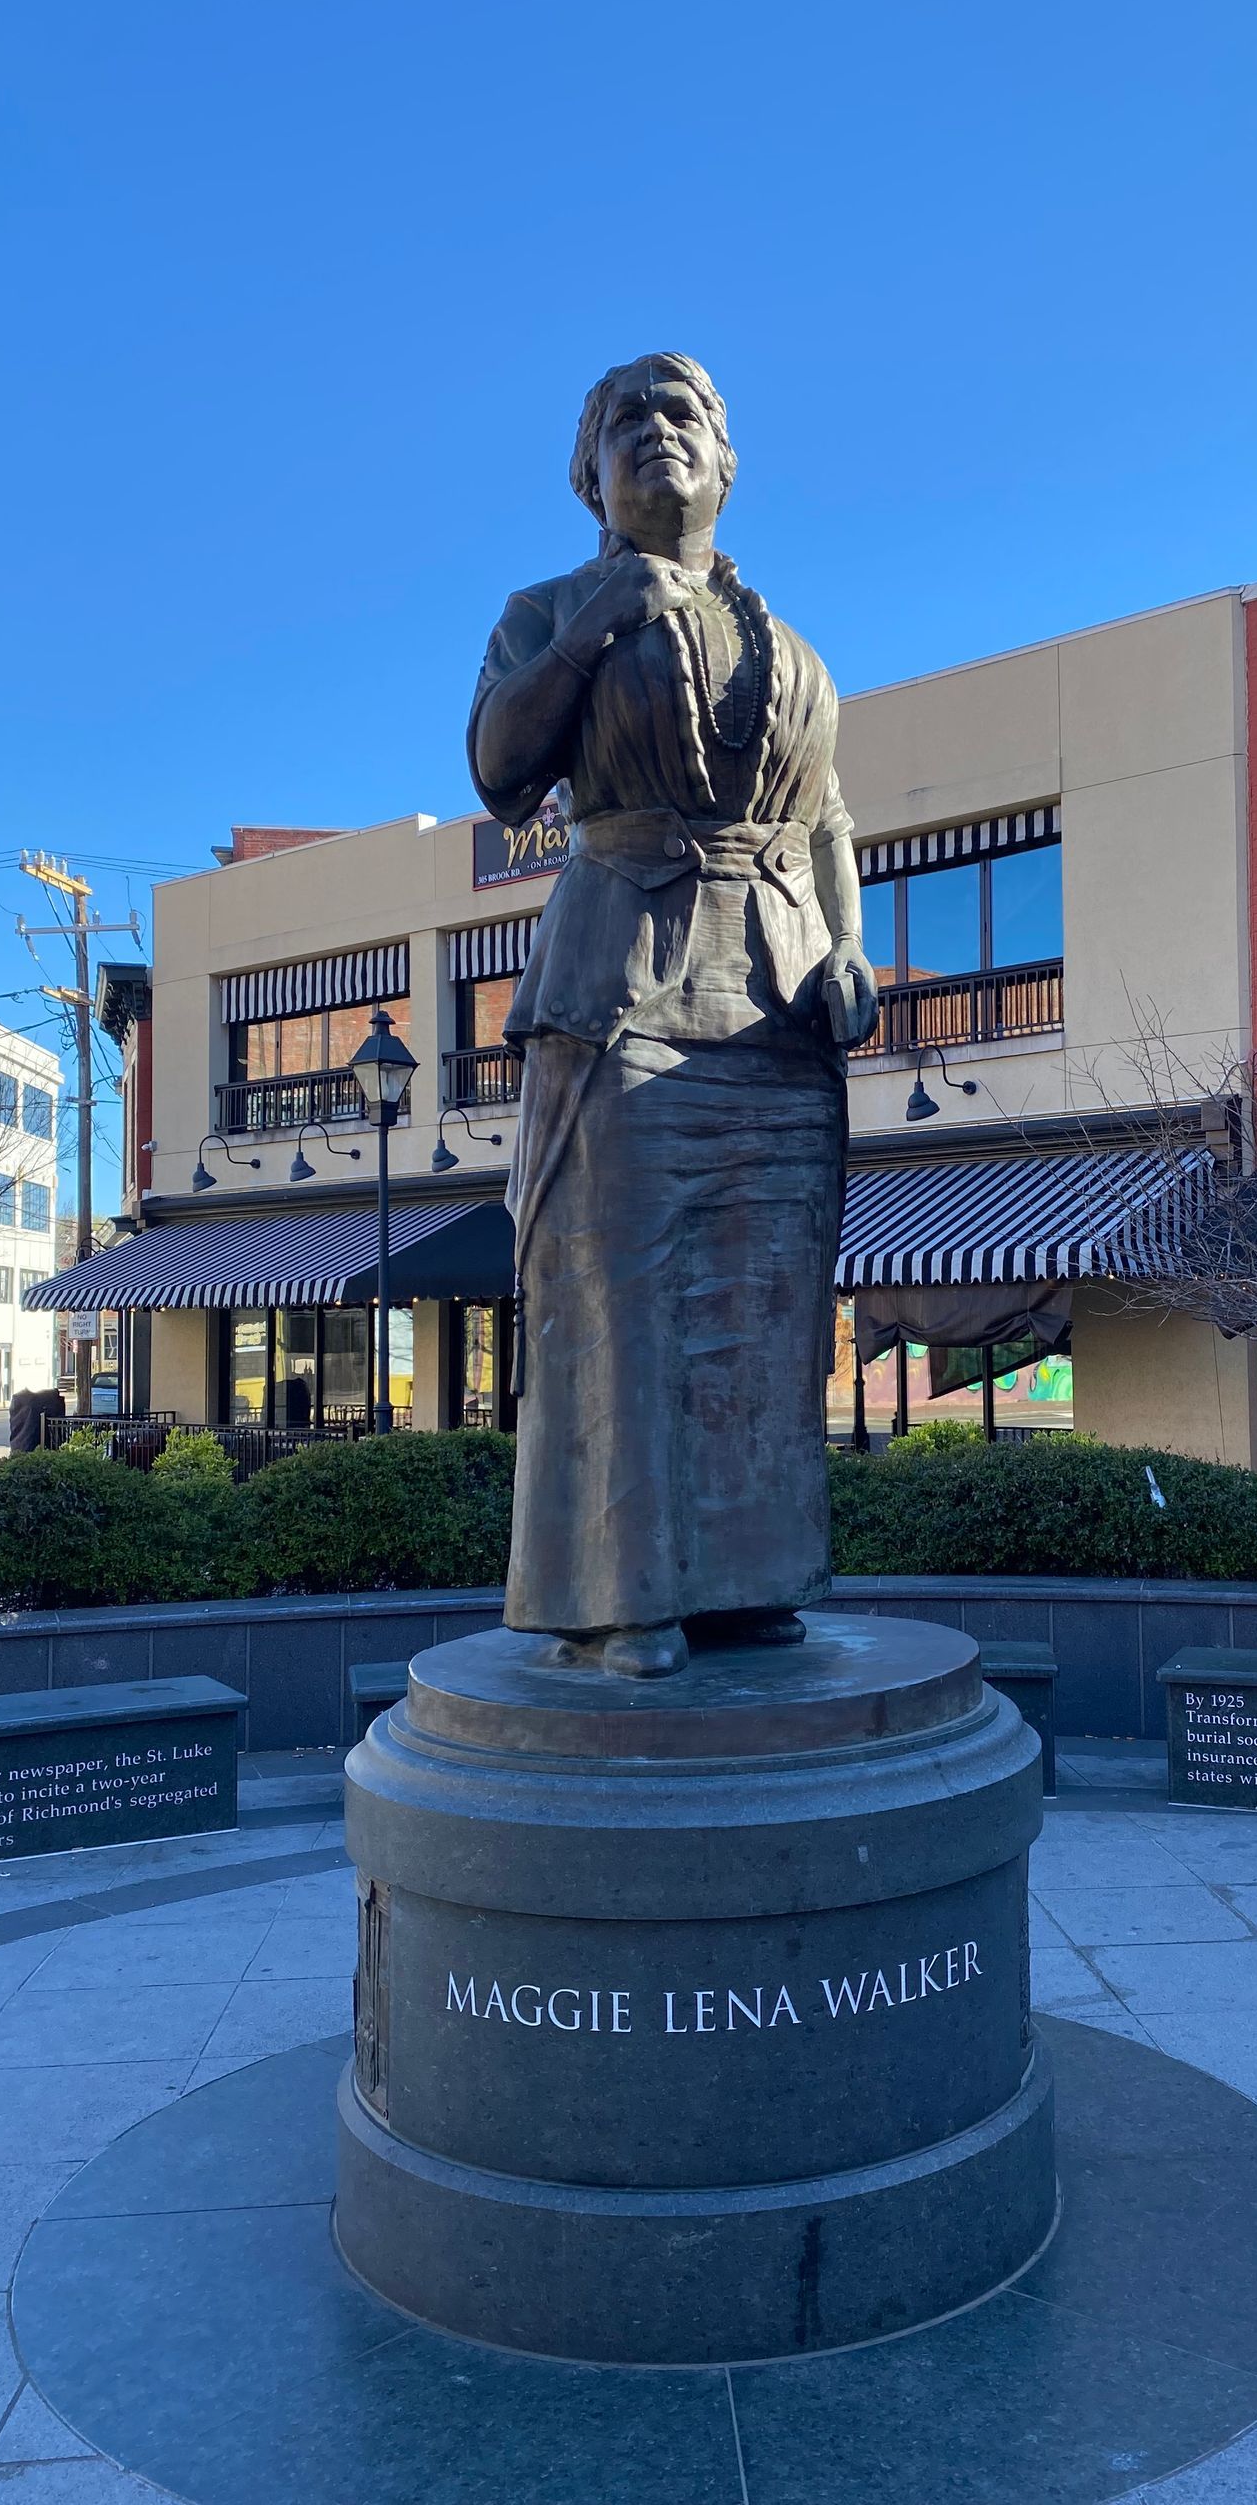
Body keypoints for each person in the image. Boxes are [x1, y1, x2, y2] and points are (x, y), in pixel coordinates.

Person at [467, 354, 876, 1677]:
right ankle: (618, 1597)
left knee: (769, 1296)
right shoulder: (547, 609)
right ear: (588, 476)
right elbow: (499, 768)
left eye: (683, 413)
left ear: (727, 461)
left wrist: (850, 946)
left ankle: (750, 1576)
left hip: (776, 1011)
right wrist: (596, 624)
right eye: (625, 421)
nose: (657, 433)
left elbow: (827, 821)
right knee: (621, 1292)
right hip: (622, 985)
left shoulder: (792, 645)